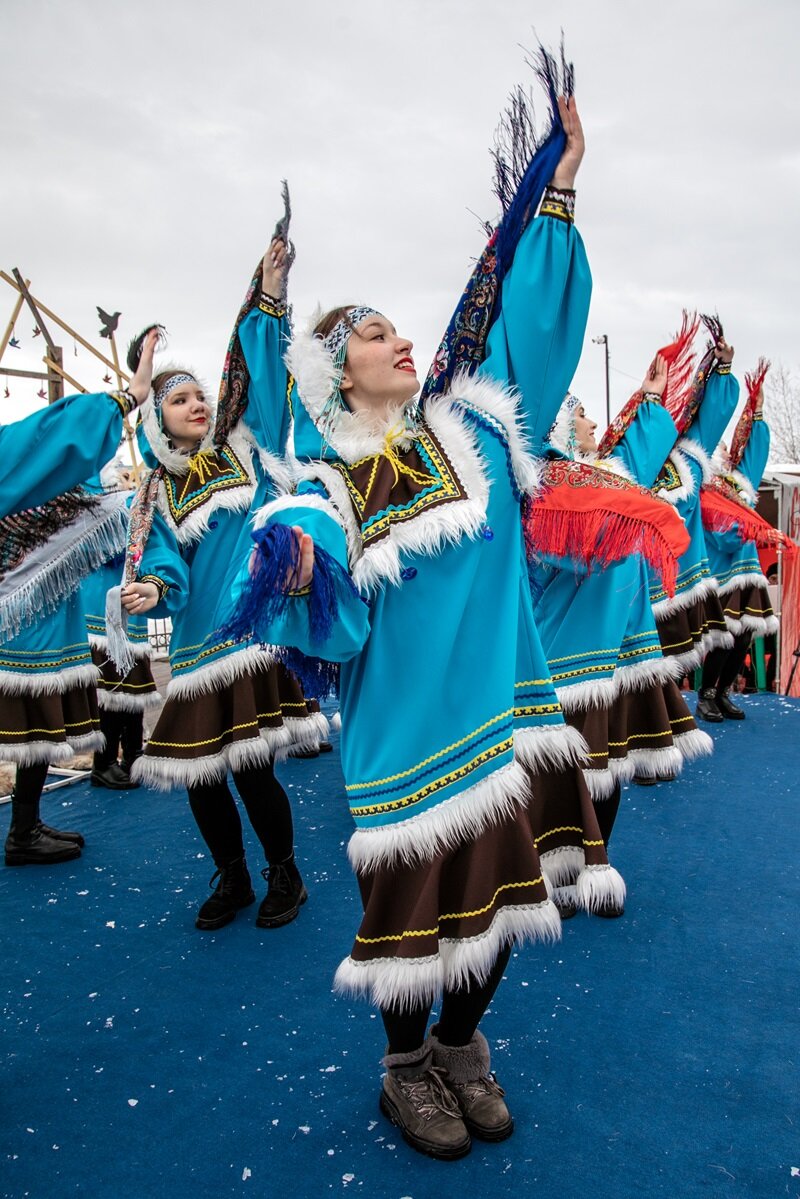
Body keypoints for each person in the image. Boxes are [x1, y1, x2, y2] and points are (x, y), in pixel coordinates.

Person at [226, 63, 620, 1158]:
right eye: (372, 334)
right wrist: (296, 563)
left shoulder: (480, 432)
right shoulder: (330, 477)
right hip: (406, 728)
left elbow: (529, 325)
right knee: (417, 923)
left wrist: (560, 188)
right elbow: (309, 571)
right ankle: (406, 1065)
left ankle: (462, 1044)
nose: (402, 341)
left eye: (403, 329)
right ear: (334, 375)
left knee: (501, 910)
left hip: (505, 703)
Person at [118, 216, 325, 930]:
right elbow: (162, 561)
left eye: (199, 395)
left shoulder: (245, 448)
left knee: (250, 767)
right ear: (157, 420)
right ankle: (232, 876)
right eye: (179, 400)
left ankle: (285, 875)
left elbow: (257, 370)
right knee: (201, 775)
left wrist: (269, 291)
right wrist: (151, 589)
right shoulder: (159, 489)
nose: (197, 404)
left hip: (249, 634)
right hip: (199, 644)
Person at [526, 339, 710, 844]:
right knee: (559, 775)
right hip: (564, 659)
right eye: (580, 413)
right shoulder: (544, 488)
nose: (591, 423)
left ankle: (595, 863)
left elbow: (636, 459)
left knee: (607, 770)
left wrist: (651, 397)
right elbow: (583, 549)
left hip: (617, 655)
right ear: (560, 424)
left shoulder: (604, 480)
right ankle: (552, 872)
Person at [1, 369, 151, 864]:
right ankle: (24, 829)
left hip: (40, 626)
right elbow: (53, 441)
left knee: (37, 732)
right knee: (31, 725)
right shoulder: (35, 482)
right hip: (25, 629)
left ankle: (25, 826)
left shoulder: (54, 493)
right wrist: (127, 398)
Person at [648, 323, 740, 680]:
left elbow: (713, 418)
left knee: (668, 669)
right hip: (634, 589)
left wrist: (723, 368)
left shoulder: (688, 460)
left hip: (678, 586)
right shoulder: (635, 458)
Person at [699, 363, 782, 719]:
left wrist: (758, 411)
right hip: (724, 574)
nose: (721, 451)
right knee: (725, 637)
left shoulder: (737, 486)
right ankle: (705, 693)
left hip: (747, 572)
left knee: (747, 635)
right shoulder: (703, 493)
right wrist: (744, 532)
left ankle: (722, 693)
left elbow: (756, 455)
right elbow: (719, 534)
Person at [81, 457, 160, 789]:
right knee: (111, 690)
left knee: (134, 686)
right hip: (102, 603)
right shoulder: (85, 489)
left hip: (129, 603)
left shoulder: (120, 485)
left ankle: (133, 755)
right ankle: (104, 762)